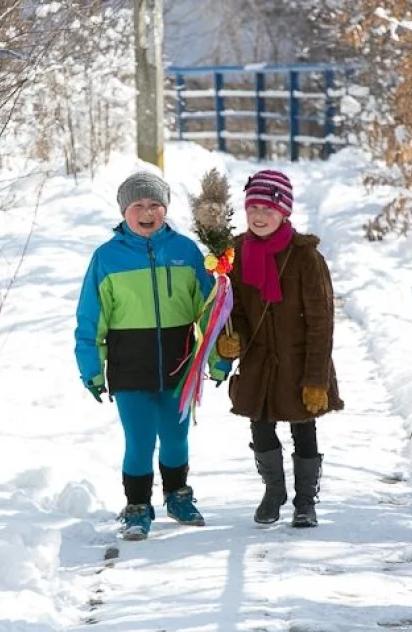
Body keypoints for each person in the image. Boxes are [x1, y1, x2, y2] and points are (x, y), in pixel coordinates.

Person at [74, 171, 228, 540]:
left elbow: (211, 310)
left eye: (155, 204)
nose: (147, 212)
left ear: (165, 209)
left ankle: (178, 496)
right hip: (130, 366)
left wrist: (218, 357)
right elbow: (90, 318)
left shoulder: (186, 251)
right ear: (124, 211)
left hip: (179, 363)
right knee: (140, 439)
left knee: (175, 439)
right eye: (138, 205)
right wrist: (92, 368)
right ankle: (137, 506)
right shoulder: (107, 258)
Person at [220, 169, 343, 528]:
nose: (259, 216)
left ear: (284, 212)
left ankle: (306, 500)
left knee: (303, 428)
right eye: (252, 208)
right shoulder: (238, 252)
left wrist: (316, 379)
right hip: (259, 360)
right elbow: (237, 309)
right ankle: (274, 492)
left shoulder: (305, 256)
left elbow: (322, 322)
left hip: (300, 361)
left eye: (268, 209)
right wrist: (234, 338)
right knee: (260, 428)